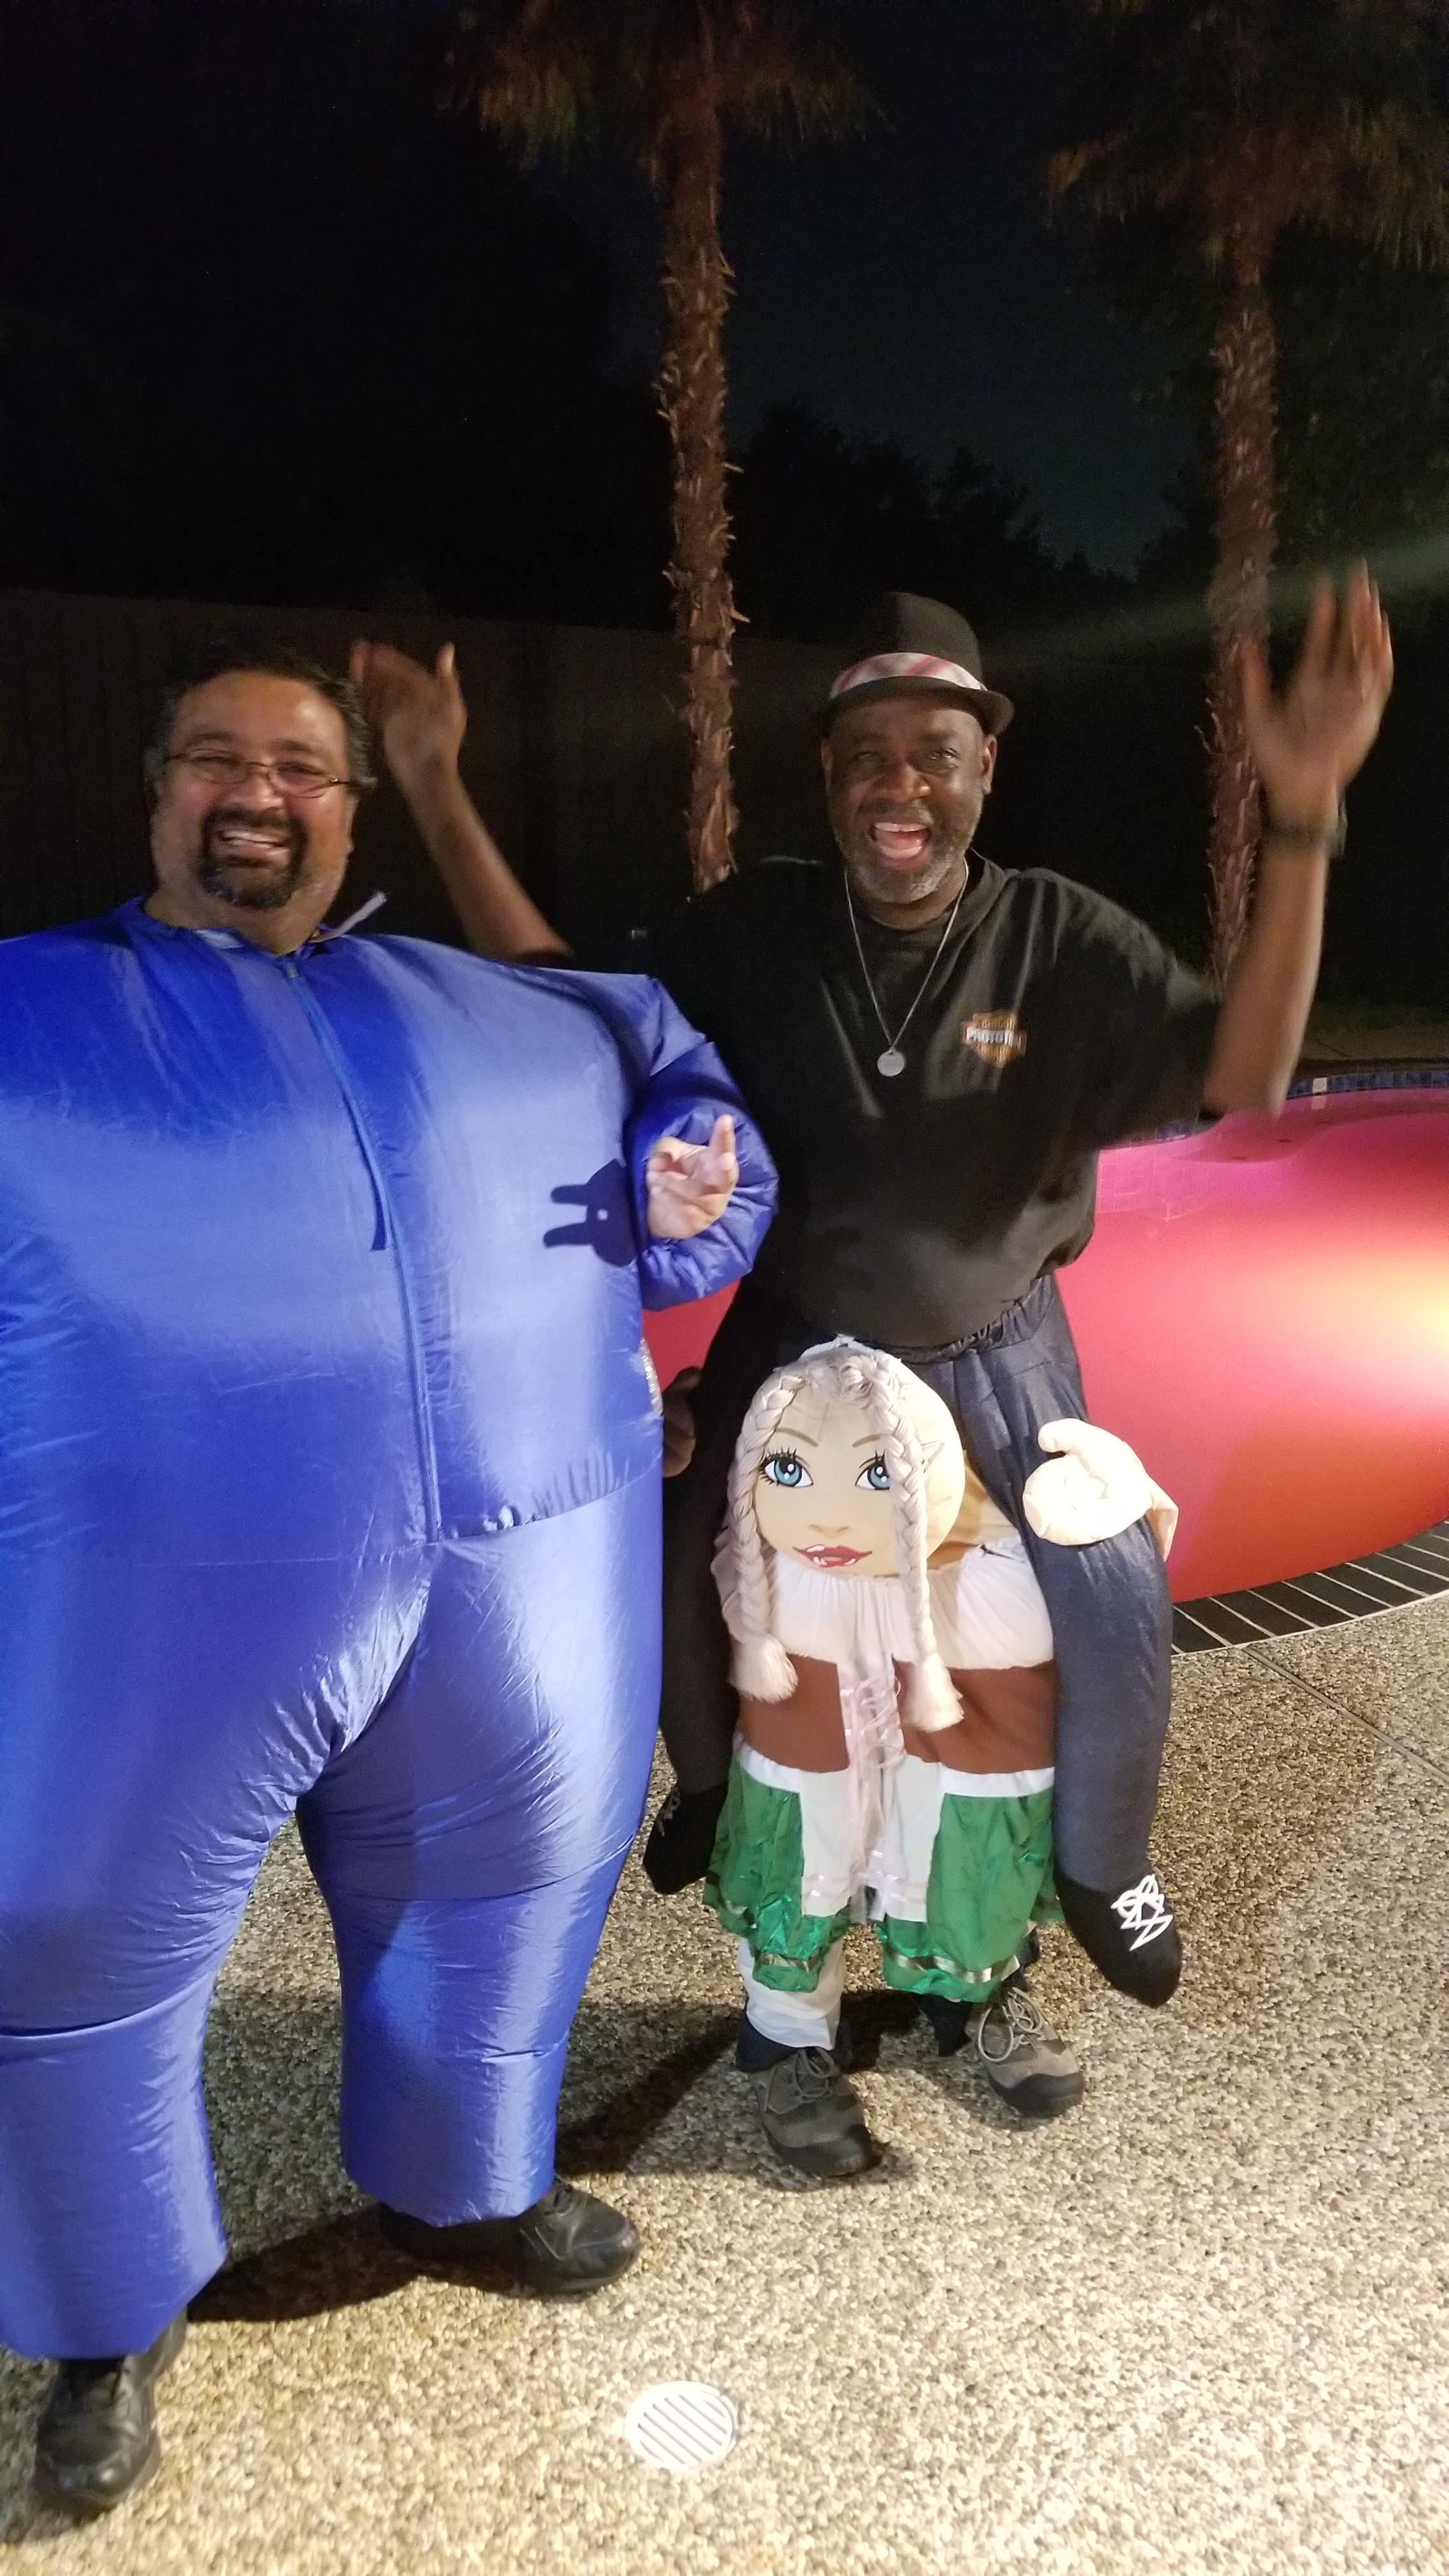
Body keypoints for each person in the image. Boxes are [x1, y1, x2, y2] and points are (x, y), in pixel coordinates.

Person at [346, 571, 1392, 2143]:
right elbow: (576, 1006)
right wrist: (431, 781)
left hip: (996, 1366)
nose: (900, 783)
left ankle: (1027, 1932)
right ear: (828, 777)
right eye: (865, 755)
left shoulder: (1061, 937)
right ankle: (771, 1977)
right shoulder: (756, 929)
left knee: (1052, 1650)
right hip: (801, 1373)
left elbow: (1241, 1076)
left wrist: (1303, 819)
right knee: (755, 1666)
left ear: (987, 764)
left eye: (936, 751)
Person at [0, 638, 776, 2518]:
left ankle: (468, 2178)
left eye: (299, 765)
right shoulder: (32, 1014)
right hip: (150, 1585)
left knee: (513, 1862)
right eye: (214, 758)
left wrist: (696, 1169)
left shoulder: (521, 1020)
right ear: (159, 793)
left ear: (352, 808)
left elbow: (704, 1173)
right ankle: (105, 2317)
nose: (255, 790)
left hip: (520, 1574)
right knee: (66, 1935)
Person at [705, 1338, 1177, 2173]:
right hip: (804, 1394)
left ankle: (978, 1984)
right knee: (804, 1846)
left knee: (959, 1825)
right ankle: (785, 2036)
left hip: (982, 1405)